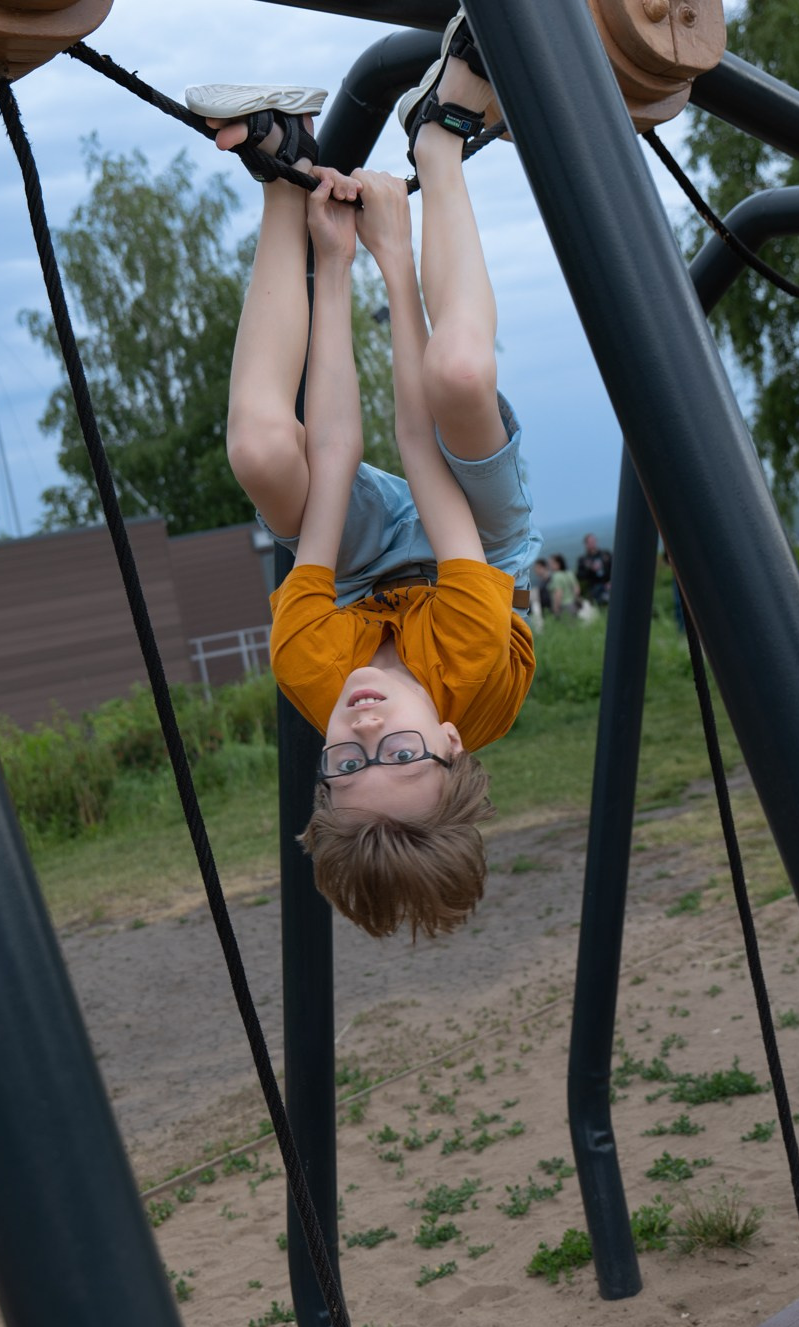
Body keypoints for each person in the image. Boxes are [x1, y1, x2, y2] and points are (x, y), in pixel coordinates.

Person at [187, 9, 540, 941]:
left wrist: (332, 262)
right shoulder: (469, 668)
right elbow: (422, 450)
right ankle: (447, 135)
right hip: (477, 547)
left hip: (362, 572)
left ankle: (279, 173)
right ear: (452, 743)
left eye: (344, 763)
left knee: (265, 451)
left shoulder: (313, 670)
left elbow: (331, 453)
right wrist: (391, 255)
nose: (362, 727)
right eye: (400, 753)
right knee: (457, 377)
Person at [576, 532, 612, 606]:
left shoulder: (605, 554)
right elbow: (580, 576)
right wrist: (589, 568)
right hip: (595, 586)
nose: (592, 543)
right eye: (590, 542)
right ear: (586, 544)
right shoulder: (583, 560)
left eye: (593, 541)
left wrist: (611, 582)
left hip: (609, 583)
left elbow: (614, 568)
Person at [547, 554, 582, 618]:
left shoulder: (556, 576)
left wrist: (556, 609)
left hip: (564, 606)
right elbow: (577, 589)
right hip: (573, 604)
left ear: (558, 564)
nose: (550, 566)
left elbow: (558, 593)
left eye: (551, 563)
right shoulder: (569, 573)